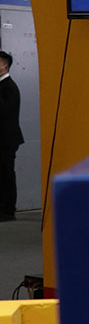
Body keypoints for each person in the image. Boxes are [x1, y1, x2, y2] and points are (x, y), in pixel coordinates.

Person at [0, 49, 21, 221]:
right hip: (3, 138)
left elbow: (6, 113)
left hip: (6, 139)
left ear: (5, 67)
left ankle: (8, 210)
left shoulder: (10, 87)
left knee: (6, 173)